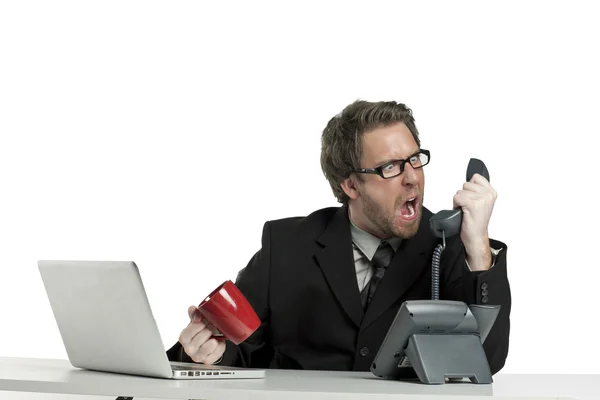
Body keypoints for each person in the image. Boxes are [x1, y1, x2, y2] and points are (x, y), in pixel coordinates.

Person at [167, 100, 511, 373]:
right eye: (390, 167)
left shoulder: (450, 246)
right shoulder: (286, 245)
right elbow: (240, 349)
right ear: (350, 185)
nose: (412, 179)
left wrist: (478, 245)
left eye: (415, 160)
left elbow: (487, 360)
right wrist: (203, 351)